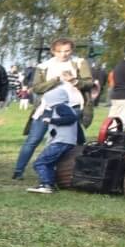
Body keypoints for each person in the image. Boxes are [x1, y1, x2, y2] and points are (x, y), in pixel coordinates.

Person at [15, 38, 91, 179]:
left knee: (72, 141)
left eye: (67, 51)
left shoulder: (79, 63)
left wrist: (73, 80)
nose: (63, 54)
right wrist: (55, 80)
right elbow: (37, 88)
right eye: (60, 51)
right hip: (47, 107)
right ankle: (18, 171)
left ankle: (72, 172)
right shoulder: (44, 66)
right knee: (34, 139)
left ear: (72, 50)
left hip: (72, 107)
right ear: (53, 51)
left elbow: (88, 83)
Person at [28, 66, 84, 194]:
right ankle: (49, 183)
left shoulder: (60, 108)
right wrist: (80, 142)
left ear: (53, 99)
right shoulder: (67, 107)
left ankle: (47, 185)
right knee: (49, 162)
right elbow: (76, 125)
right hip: (66, 142)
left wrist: (52, 121)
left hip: (60, 142)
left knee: (40, 162)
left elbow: (70, 119)